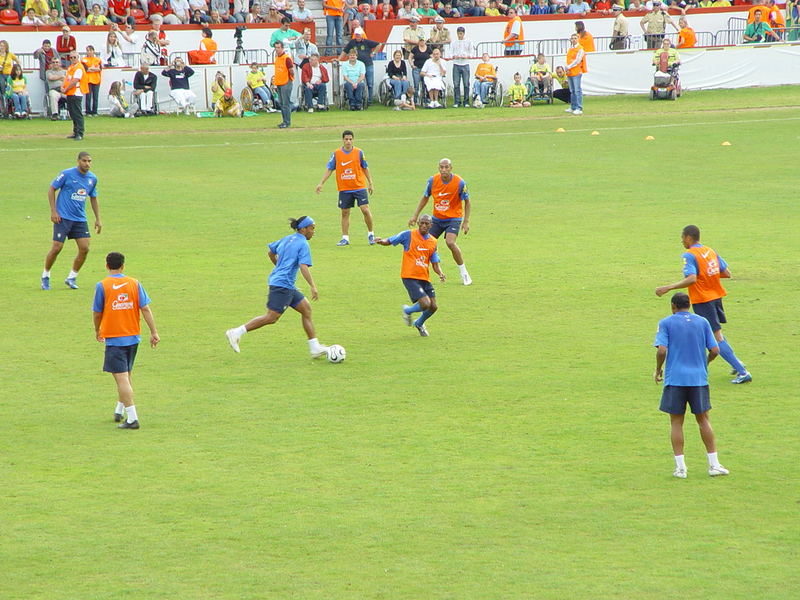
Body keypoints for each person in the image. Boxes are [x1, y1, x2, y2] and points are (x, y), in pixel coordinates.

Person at [655, 225, 751, 384]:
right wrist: (708, 276)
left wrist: (668, 287)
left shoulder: (690, 254)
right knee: (717, 333)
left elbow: (692, 278)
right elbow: (726, 273)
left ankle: (742, 372)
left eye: (682, 238)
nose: (681, 241)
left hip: (703, 299)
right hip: (716, 296)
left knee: (716, 337)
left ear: (688, 237)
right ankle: (736, 362)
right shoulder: (710, 251)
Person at [225, 216, 329, 359]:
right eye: (312, 228)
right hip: (282, 285)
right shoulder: (303, 244)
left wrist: (280, 267)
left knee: (306, 309)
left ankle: (315, 348)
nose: (313, 231)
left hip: (285, 284)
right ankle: (236, 332)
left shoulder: (287, 239)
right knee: (271, 317)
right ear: (303, 229)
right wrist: (313, 286)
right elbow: (303, 266)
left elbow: (271, 251)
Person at [654, 292, 729, 479]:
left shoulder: (666, 323)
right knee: (703, 420)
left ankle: (681, 468)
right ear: (689, 305)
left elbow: (662, 349)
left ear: (673, 306)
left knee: (676, 422)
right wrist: (704, 364)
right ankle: (714, 465)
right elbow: (715, 350)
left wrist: (658, 369)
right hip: (698, 379)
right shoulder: (702, 322)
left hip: (675, 379)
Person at [92, 251, 159, 430]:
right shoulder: (134, 283)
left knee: (121, 378)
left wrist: (97, 330)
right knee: (126, 376)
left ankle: (132, 419)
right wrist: (154, 332)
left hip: (115, 339)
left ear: (106, 265)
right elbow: (145, 308)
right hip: (133, 337)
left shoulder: (102, 286)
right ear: (123, 266)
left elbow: (97, 313)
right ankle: (119, 410)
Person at [375, 214, 445, 337]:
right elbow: (391, 240)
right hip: (410, 276)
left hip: (424, 278)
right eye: (421, 223)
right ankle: (407, 310)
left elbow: (434, 262)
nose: (423, 225)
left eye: (426, 224)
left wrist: (440, 273)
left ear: (431, 225)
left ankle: (419, 323)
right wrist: (381, 241)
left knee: (433, 307)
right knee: (425, 304)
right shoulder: (408, 235)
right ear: (418, 223)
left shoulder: (433, 242)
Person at [42, 152, 102, 291]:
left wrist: (98, 218)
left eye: (89, 161)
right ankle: (46, 275)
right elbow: (51, 189)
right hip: (62, 217)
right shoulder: (67, 174)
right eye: (84, 161)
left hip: (80, 219)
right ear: (78, 161)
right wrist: (54, 211)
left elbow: (93, 197)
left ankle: (71, 277)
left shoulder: (92, 179)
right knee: (57, 248)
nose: (87, 164)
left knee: (85, 249)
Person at [408, 158, 471, 285]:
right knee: (425, 243)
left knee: (450, 242)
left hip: (454, 218)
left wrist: (466, 221)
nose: (444, 170)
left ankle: (464, 273)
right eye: (441, 167)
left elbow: (467, 202)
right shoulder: (433, 181)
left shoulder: (459, 183)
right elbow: (425, 197)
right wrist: (415, 216)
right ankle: (420, 274)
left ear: (451, 168)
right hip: (436, 219)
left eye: (446, 167)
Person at [315, 130, 375, 246]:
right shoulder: (336, 154)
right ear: (342, 140)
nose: (348, 141)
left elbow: (365, 168)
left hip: (359, 187)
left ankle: (371, 234)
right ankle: (345, 238)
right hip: (344, 189)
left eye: (350, 139)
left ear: (353, 140)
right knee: (345, 213)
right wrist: (321, 183)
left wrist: (370, 182)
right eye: (346, 139)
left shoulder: (359, 152)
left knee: (365, 210)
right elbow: (330, 169)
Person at [340, 27, 381, 104]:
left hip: (368, 64)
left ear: (362, 35)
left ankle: (370, 100)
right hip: (357, 65)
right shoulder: (352, 42)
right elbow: (345, 51)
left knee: (370, 83)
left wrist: (374, 53)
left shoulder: (367, 42)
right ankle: (356, 100)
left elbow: (379, 44)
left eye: (359, 35)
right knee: (358, 82)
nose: (357, 36)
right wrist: (338, 59)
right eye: (356, 35)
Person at [62, 51, 87, 139]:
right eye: (71, 57)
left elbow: (75, 81)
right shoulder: (71, 67)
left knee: (77, 113)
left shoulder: (79, 68)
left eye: (74, 57)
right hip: (70, 92)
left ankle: (80, 133)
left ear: (78, 57)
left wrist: (65, 89)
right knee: (72, 113)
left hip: (76, 92)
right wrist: (63, 87)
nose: (72, 59)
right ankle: (75, 131)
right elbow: (67, 79)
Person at [272, 40, 294, 128]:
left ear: (282, 48)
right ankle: (284, 121)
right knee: (281, 103)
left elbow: (291, 70)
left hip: (286, 82)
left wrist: (290, 79)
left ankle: (287, 122)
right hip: (279, 83)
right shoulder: (277, 58)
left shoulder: (286, 58)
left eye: (278, 48)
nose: (277, 49)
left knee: (286, 103)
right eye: (276, 48)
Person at [449, 26, 473, 107]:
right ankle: (457, 101)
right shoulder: (454, 42)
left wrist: (466, 56)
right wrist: (454, 56)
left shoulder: (468, 42)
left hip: (465, 64)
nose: (460, 35)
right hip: (456, 64)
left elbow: (471, 53)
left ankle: (466, 101)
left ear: (464, 33)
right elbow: (450, 53)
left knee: (466, 84)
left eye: (461, 34)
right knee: (456, 84)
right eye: (458, 34)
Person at [565, 33, 585, 115]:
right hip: (570, 72)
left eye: (575, 38)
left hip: (576, 71)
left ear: (578, 39)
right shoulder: (570, 49)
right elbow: (568, 59)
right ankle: (573, 106)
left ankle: (579, 107)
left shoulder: (580, 49)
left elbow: (578, 60)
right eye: (572, 38)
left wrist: (569, 66)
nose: (573, 40)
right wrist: (567, 67)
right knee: (572, 91)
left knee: (577, 90)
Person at [81, 45, 102, 117]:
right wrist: (93, 69)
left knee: (95, 96)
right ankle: (88, 112)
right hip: (88, 80)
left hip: (96, 79)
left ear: (93, 51)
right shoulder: (83, 59)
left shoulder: (98, 59)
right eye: (87, 50)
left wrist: (92, 69)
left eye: (90, 50)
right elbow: (86, 69)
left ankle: (95, 111)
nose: (89, 52)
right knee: (88, 96)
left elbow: (99, 68)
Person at [410, 38, 431, 105]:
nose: (422, 42)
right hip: (417, 69)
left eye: (423, 41)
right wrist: (412, 65)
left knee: (426, 84)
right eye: (420, 41)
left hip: (425, 71)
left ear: (425, 41)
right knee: (416, 85)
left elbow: (432, 58)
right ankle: (416, 101)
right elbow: (410, 57)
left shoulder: (428, 49)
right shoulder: (415, 49)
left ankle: (426, 99)